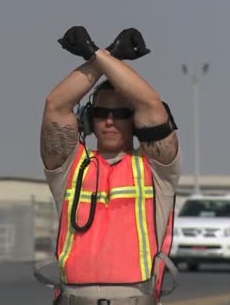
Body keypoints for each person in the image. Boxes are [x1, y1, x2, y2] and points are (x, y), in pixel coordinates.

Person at [39, 26, 181, 305]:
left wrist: (101, 55)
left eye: (121, 113)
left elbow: (150, 103)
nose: (109, 121)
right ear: (90, 120)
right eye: (102, 113)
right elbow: (55, 105)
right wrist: (103, 57)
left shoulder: (156, 168)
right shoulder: (70, 167)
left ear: (135, 120)